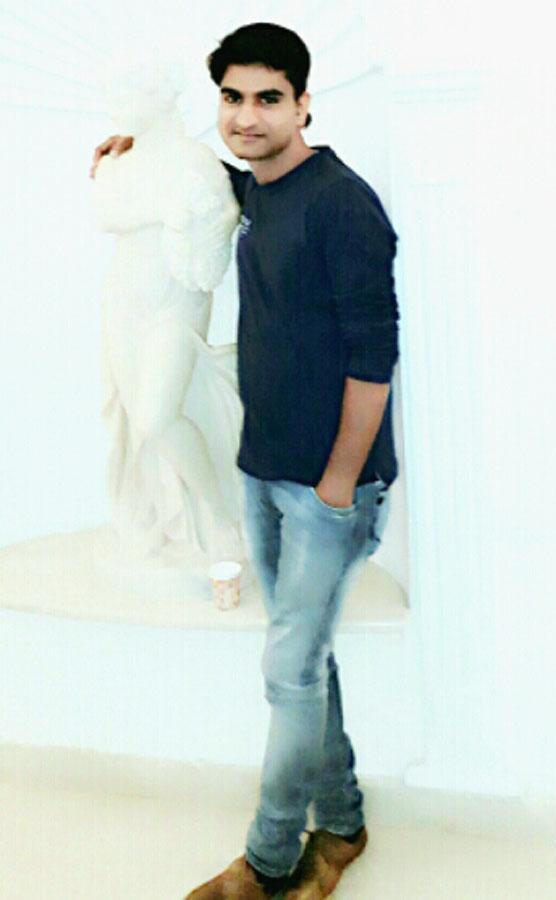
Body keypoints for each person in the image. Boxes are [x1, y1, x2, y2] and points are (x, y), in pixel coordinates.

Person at [90, 22, 400, 900]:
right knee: (306, 664)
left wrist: (338, 483)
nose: (247, 116)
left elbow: (376, 356)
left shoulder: (343, 204)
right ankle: (342, 822)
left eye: (269, 98)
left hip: (329, 488)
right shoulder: (257, 188)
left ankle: (266, 865)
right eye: (232, 98)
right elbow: (208, 183)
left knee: (288, 673)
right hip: (262, 469)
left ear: (304, 103)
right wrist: (134, 147)